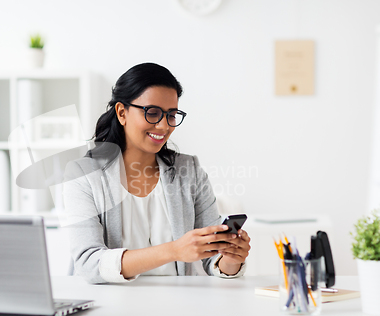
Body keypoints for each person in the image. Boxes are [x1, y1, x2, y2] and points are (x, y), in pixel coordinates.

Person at [63, 63, 250, 284]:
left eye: (171, 115)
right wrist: (174, 251)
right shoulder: (83, 174)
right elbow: (89, 263)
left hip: (177, 308)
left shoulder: (189, 171)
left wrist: (231, 258)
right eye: (152, 113)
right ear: (122, 113)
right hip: (109, 308)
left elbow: (213, 260)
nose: (163, 126)